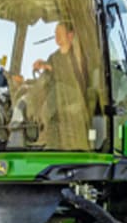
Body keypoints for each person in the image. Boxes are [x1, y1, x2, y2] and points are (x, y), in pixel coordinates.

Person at [21, 20, 99, 149]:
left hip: (73, 95)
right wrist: (25, 82)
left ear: (70, 35)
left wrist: (50, 68)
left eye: (59, 33)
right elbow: (46, 80)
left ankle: (40, 129)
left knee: (57, 90)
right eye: (55, 33)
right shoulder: (53, 57)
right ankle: (23, 119)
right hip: (55, 99)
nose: (56, 36)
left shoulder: (80, 57)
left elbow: (74, 79)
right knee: (27, 90)